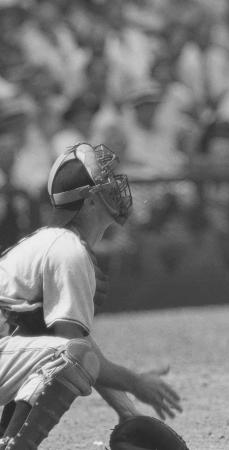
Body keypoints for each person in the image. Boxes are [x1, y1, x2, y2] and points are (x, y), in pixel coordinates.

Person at [0, 143, 182, 449]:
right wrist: (135, 383)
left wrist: (124, 408)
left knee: (64, 354)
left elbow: (70, 347)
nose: (115, 187)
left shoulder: (56, 244)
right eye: (105, 183)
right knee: (72, 356)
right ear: (90, 200)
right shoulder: (67, 250)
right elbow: (77, 355)